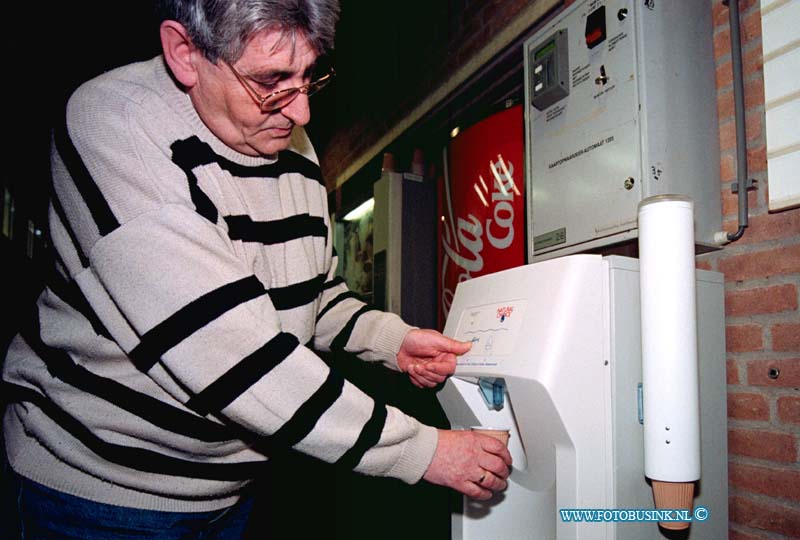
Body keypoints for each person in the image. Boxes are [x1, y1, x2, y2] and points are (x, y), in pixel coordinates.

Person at [1, 0, 512, 537]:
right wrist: (422, 451)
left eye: (309, 76)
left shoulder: (288, 139)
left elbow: (311, 295)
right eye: (272, 81)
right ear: (185, 54)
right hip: (97, 492)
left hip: (229, 490)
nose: (301, 114)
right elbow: (231, 354)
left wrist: (390, 340)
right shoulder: (116, 124)